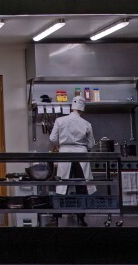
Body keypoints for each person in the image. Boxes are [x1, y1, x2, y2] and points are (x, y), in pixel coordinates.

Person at [49, 95, 97, 226]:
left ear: (72, 107)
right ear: (82, 109)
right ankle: (80, 218)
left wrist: (64, 142)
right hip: (81, 156)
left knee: (61, 186)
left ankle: (55, 217)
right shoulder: (87, 124)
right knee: (81, 187)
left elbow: (52, 139)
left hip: (65, 154)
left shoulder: (60, 120)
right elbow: (91, 145)